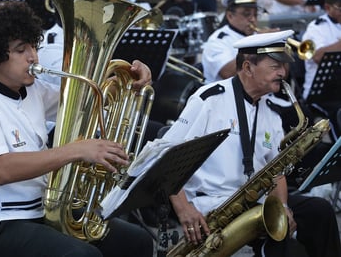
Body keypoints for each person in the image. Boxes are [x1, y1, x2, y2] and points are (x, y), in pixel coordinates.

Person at [0, 1, 154, 257]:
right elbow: (1, 170)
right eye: (21, 50)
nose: (33, 56)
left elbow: (90, 100)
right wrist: (76, 151)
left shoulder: (33, 89)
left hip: (45, 210)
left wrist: (130, 79)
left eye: (34, 46)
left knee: (137, 241)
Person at [142, 30, 341, 257]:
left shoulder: (271, 112)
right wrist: (184, 208)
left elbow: (276, 172)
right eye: (275, 66)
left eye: (284, 67)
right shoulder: (209, 99)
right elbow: (164, 155)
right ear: (247, 67)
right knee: (278, 236)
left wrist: (283, 207)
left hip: (253, 200)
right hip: (212, 202)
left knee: (319, 210)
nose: (283, 73)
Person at [201, 0, 277, 84]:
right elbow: (227, 73)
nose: (253, 19)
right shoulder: (217, 40)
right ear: (230, 16)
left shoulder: (255, 36)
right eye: (246, 14)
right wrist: (258, 43)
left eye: (255, 14)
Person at [301, 0, 341, 139]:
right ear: (327, 7)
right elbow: (316, 56)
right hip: (322, 92)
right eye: (339, 6)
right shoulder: (316, 27)